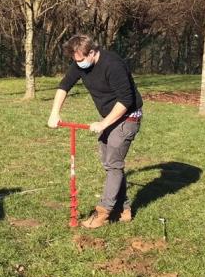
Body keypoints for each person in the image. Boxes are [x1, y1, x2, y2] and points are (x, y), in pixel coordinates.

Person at [47, 34, 143, 229]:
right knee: (109, 163)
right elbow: (64, 86)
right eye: (75, 60)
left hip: (128, 116)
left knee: (113, 164)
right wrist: (54, 113)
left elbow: (126, 100)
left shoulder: (113, 65)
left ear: (92, 52)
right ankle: (124, 209)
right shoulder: (80, 62)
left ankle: (103, 213)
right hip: (110, 117)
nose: (78, 64)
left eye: (81, 60)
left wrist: (103, 124)